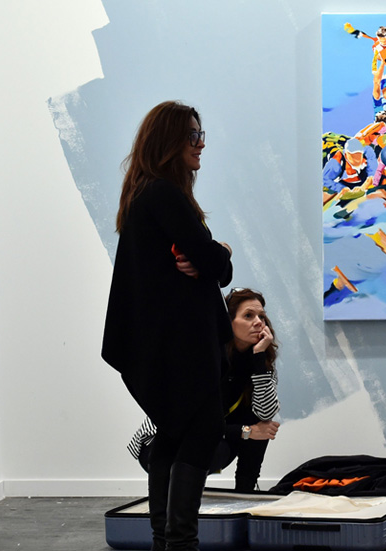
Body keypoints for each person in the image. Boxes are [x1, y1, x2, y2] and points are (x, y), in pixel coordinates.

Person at [102, 101, 234, 551]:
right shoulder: (163, 194)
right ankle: (179, 542)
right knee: (202, 431)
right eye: (192, 136)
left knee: (174, 433)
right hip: (181, 344)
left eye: (201, 134)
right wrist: (221, 251)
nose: (201, 144)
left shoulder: (145, 194)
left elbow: (204, 263)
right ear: (170, 141)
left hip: (164, 343)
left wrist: (209, 257)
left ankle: (167, 541)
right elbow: (214, 263)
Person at [128, 288, 281, 492]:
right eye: (248, 316)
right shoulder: (205, 356)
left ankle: (245, 493)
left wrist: (259, 359)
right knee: (224, 444)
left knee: (262, 426)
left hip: (214, 439)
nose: (258, 322)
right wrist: (246, 432)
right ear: (228, 322)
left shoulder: (260, 360)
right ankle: (178, 500)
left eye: (261, 316)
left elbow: (266, 413)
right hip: (164, 443)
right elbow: (192, 423)